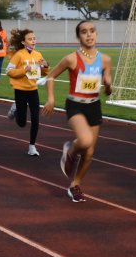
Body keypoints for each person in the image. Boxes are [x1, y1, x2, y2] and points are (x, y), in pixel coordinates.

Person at [42, 20, 112, 203]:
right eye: (84, 32)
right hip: (75, 105)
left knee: (89, 152)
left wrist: (108, 85)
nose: (89, 35)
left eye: (92, 31)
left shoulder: (105, 59)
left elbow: (107, 83)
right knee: (85, 140)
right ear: (78, 36)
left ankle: (75, 185)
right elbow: (50, 76)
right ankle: (70, 150)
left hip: (94, 106)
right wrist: (51, 98)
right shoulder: (71, 59)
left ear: (96, 34)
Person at [5, 28, 49, 156]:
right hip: (20, 91)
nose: (33, 41)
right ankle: (16, 109)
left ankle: (32, 147)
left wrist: (46, 66)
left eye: (34, 38)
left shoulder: (38, 54)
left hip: (33, 90)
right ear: (24, 42)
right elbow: (8, 71)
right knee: (22, 123)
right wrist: (24, 70)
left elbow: (43, 72)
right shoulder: (19, 55)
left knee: (36, 119)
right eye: (30, 39)